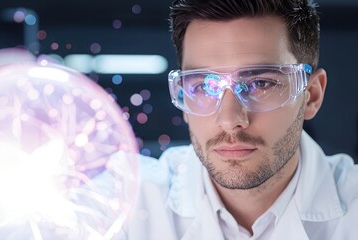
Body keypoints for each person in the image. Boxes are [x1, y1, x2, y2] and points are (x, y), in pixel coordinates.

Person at [123, 0, 358, 239]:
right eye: (204, 86)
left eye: (260, 84)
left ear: (311, 96)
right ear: (183, 96)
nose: (229, 120)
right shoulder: (126, 203)